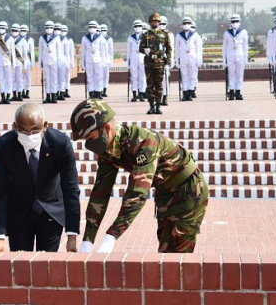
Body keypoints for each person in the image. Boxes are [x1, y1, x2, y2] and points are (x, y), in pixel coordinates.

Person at [70, 99, 209, 253]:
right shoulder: (108, 150)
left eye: (90, 138)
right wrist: (88, 241)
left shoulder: (143, 143)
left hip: (188, 191)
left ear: (107, 128)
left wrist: (111, 236)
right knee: (165, 251)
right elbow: (100, 194)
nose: (89, 145)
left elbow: (136, 194)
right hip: (165, 192)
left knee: (178, 257)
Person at [0, 103, 80, 252]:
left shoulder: (60, 144)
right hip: (19, 214)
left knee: (46, 265)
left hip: (51, 211)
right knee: (21, 266)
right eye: (23, 130)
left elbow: (70, 189)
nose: (29, 135)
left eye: (34, 130)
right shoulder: (4, 146)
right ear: (15, 126)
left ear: (45, 125)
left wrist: (72, 235)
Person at [140, 13, 172, 114]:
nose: (154, 23)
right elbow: (140, 48)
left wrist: (169, 60)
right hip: (149, 62)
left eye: (156, 21)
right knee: (150, 85)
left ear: (159, 22)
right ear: (150, 23)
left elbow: (169, 49)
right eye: (152, 21)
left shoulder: (164, 34)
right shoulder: (146, 34)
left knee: (159, 85)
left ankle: (158, 105)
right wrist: (146, 51)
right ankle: (151, 106)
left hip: (160, 62)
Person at [175, 17, 203, 101]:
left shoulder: (195, 35)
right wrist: (177, 60)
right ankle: (185, 93)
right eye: (184, 23)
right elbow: (177, 49)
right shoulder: (179, 35)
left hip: (192, 56)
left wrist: (199, 60)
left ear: (190, 24)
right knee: (184, 76)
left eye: (188, 23)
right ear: (182, 25)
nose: (186, 25)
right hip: (183, 56)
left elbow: (198, 49)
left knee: (192, 76)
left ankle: (191, 92)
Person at [222, 14, 249, 101]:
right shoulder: (227, 33)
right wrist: (224, 59)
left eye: (236, 21)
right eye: (233, 22)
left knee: (240, 74)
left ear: (239, 22)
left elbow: (245, 46)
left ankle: (238, 92)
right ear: (230, 23)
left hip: (240, 54)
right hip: (230, 54)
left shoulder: (243, 32)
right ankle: (231, 92)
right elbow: (224, 47)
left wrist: (246, 58)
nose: (235, 23)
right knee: (231, 74)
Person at [39, 20, 61, 103]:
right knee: (47, 79)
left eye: (50, 27)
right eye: (47, 27)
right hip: (45, 60)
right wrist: (40, 61)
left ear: (53, 28)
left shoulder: (56, 37)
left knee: (54, 79)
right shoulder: (42, 38)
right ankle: (48, 95)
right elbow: (40, 50)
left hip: (54, 60)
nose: (48, 29)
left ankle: (54, 96)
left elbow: (59, 51)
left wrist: (59, 62)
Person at [0, 21, 15, 105]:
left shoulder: (10, 39)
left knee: (8, 79)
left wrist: (13, 64)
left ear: (6, 29)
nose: (1, 30)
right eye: (0, 28)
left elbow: (12, 51)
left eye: (3, 28)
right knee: (1, 79)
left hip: (8, 61)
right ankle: (2, 96)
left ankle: (8, 97)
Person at [82, 20, 103, 100]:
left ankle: (98, 92)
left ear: (96, 28)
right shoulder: (85, 38)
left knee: (98, 76)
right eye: (90, 27)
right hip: (89, 59)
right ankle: (91, 92)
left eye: (93, 27)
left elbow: (102, 51)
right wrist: (83, 63)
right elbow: (83, 52)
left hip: (97, 59)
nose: (92, 29)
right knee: (90, 77)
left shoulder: (100, 37)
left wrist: (103, 61)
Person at [127, 20, 146, 102]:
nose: (137, 28)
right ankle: (134, 94)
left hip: (142, 57)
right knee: (134, 77)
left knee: (142, 77)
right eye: (136, 26)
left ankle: (141, 94)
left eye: (139, 26)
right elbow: (128, 51)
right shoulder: (130, 37)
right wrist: (128, 62)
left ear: (142, 27)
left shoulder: (145, 36)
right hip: (133, 57)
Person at [158, 16, 175, 106]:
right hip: (156, 60)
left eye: (163, 24)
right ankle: (158, 97)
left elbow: (171, 49)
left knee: (165, 80)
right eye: (160, 24)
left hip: (165, 59)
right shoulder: (154, 34)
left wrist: (170, 61)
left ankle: (165, 97)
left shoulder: (170, 35)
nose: (162, 25)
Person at [10, 23, 25, 102]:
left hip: (19, 62)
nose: (14, 32)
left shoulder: (22, 41)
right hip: (12, 63)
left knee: (19, 79)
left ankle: (20, 94)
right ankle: (14, 94)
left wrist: (25, 64)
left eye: (16, 30)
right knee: (13, 79)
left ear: (19, 31)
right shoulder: (9, 40)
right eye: (13, 30)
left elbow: (25, 53)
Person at [20, 24, 35, 99]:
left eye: (24, 30)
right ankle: (22, 91)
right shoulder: (17, 39)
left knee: (28, 77)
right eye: (21, 30)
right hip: (20, 61)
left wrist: (32, 63)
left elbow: (32, 52)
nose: (22, 32)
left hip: (28, 61)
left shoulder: (30, 40)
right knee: (21, 77)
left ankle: (27, 91)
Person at [60, 25, 75, 99]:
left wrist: (72, 62)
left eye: (65, 30)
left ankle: (66, 90)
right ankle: (61, 91)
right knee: (61, 77)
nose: (63, 32)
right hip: (60, 61)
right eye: (62, 30)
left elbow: (71, 52)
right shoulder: (57, 39)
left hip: (67, 60)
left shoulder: (70, 40)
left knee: (67, 76)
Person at [99, 24, 113, 98]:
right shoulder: (98, 39)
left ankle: (104, 89)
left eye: (104, 30)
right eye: (101, 30)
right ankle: (100, 90)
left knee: (106, 75)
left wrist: (111, 61)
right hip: (100, 59)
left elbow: (111, 51)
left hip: (107, 59)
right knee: (100, 76)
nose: (103, 32)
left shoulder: (109, 39)